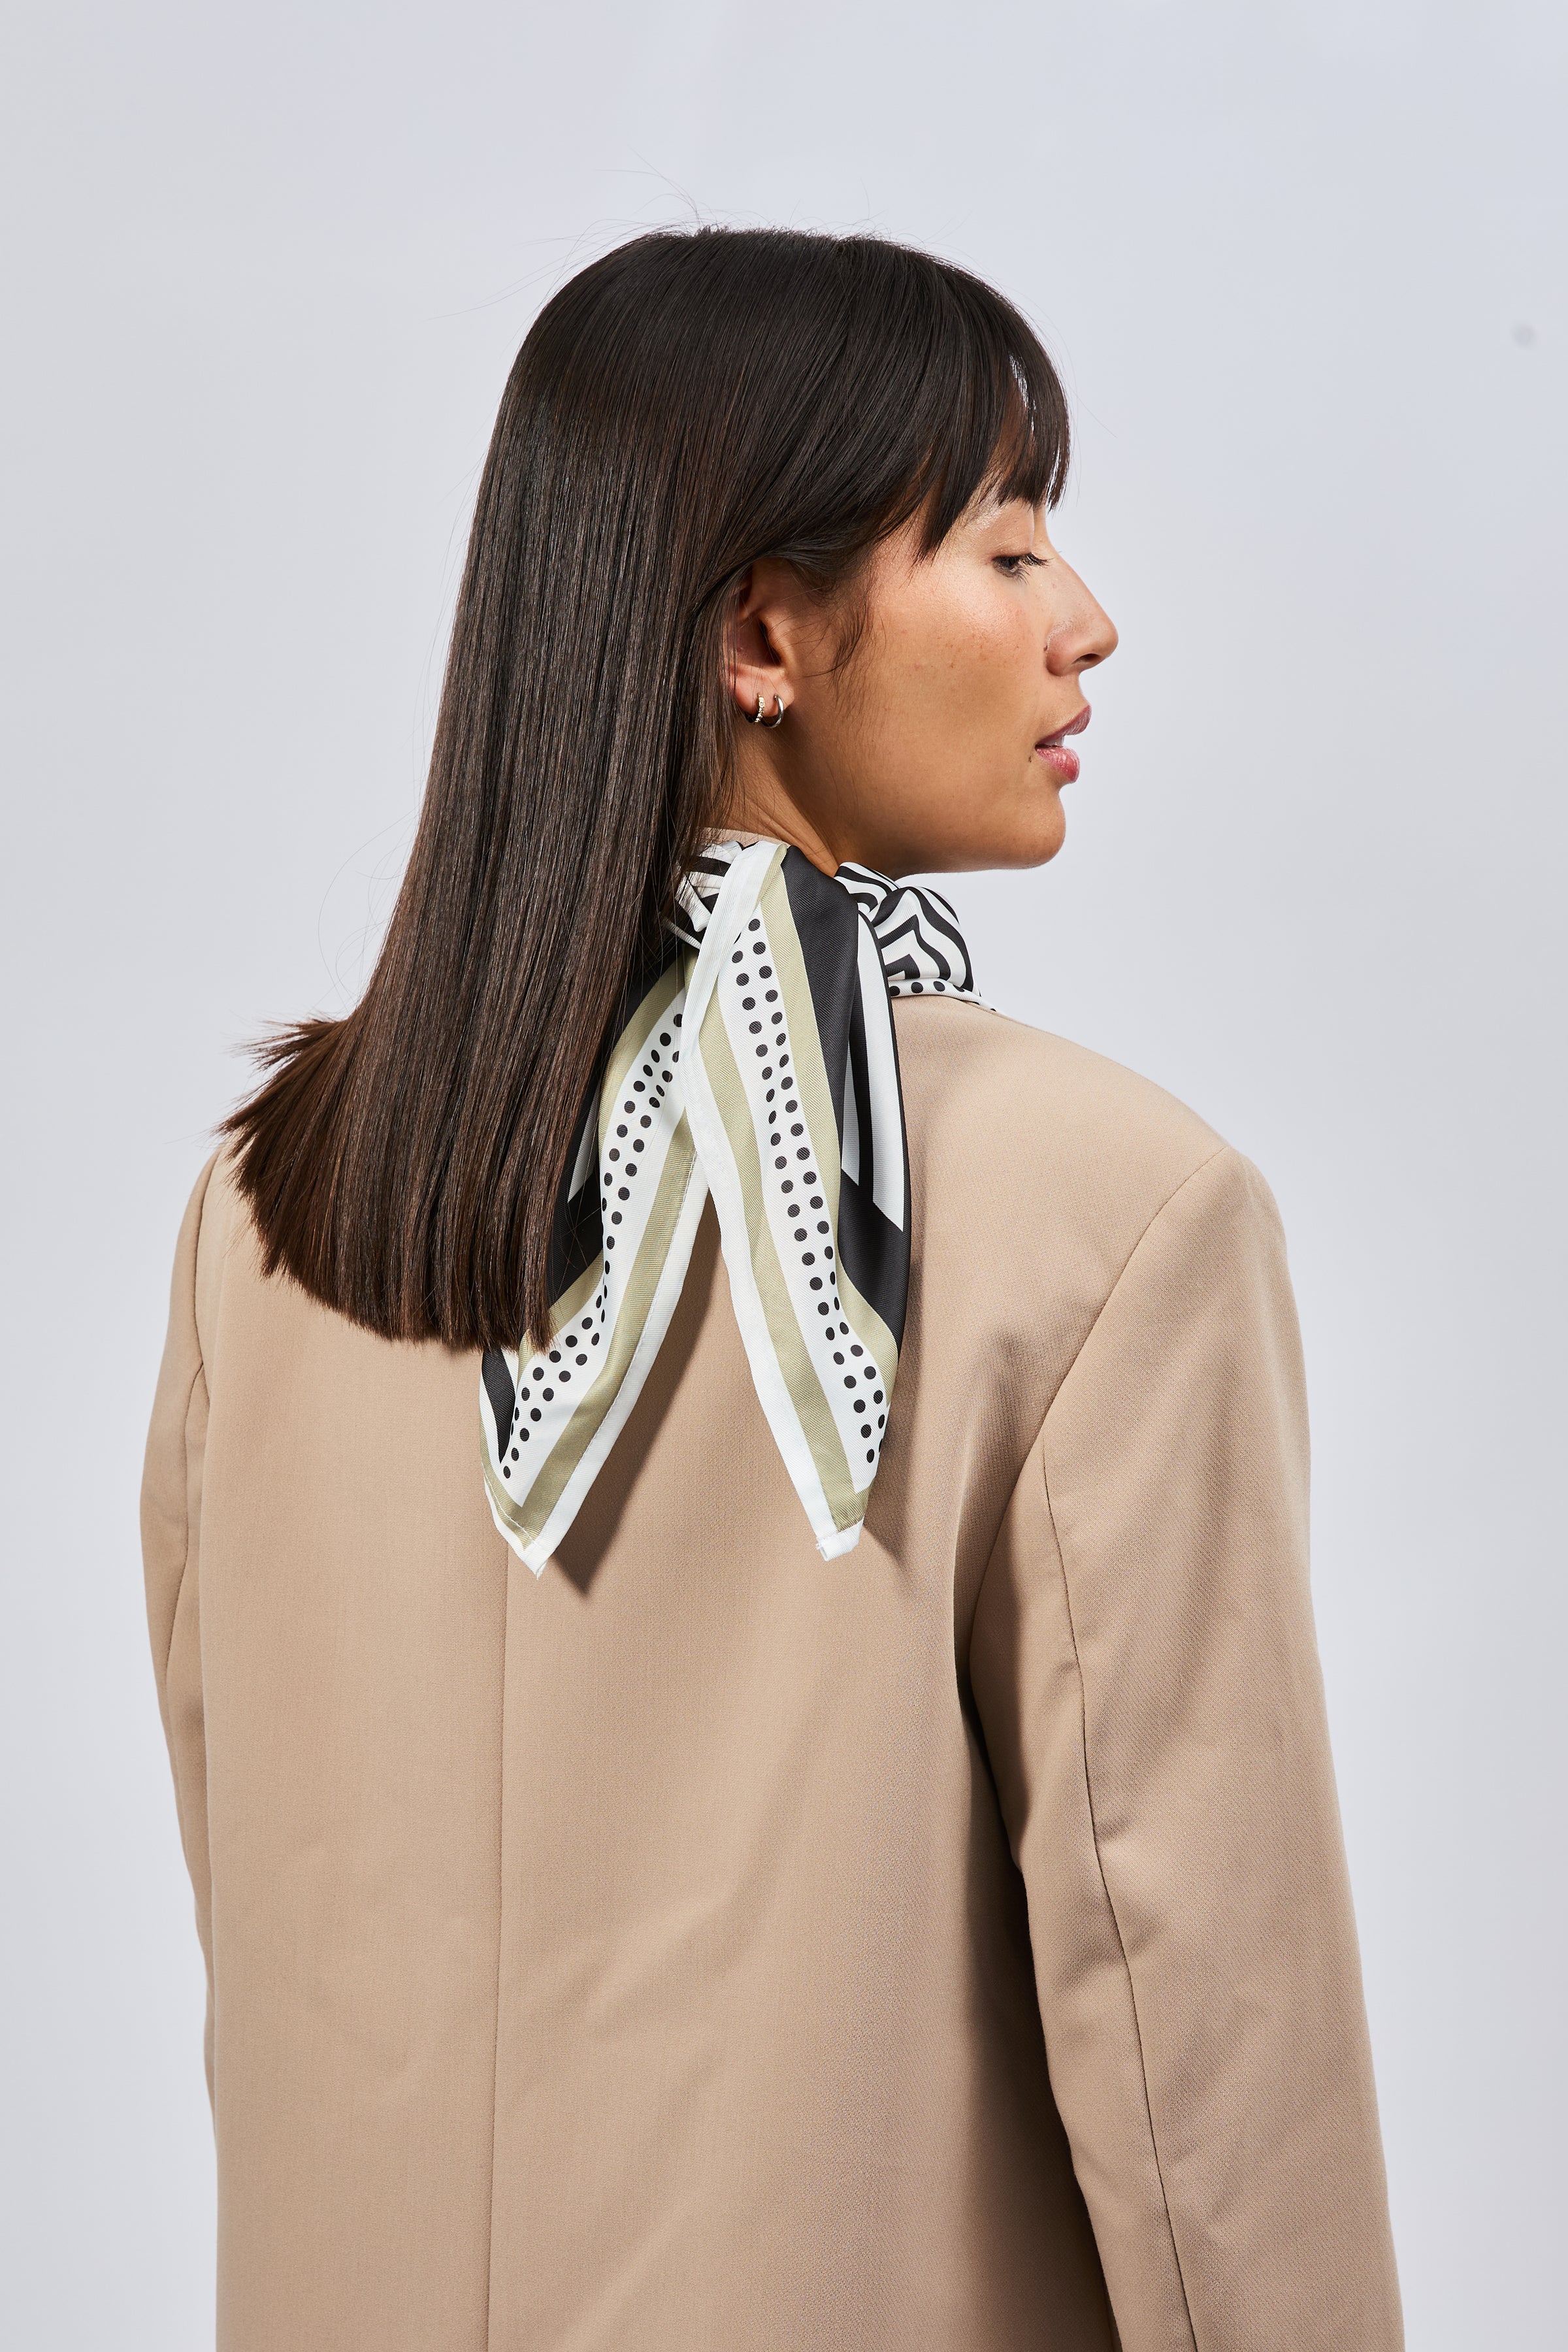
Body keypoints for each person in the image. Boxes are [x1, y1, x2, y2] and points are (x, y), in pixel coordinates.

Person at [141, 226, 1403, 2351]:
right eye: (1006, 545)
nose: (1084, 620)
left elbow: (256, 1914)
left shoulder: (274, 1217)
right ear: (763, 636)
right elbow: (1205, 2058)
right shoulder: (1109, 1218)